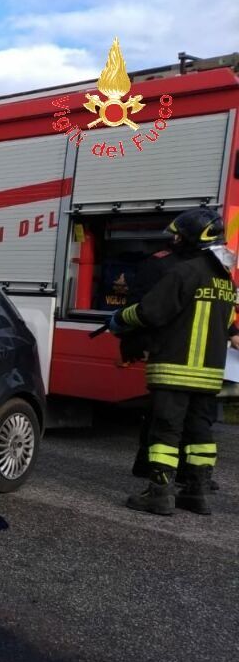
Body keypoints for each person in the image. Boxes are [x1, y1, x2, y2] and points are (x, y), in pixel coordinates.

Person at [109, 208, 237, 516]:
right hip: (208, 373)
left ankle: (160, 494)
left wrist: (119, 318)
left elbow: (150, 312)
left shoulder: (184, 272)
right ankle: (196, 492)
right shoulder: (225, 280)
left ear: (194, 237)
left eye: (179, 234)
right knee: (200, 434)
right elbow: (228, 322)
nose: (175, 239)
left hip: (175, 367)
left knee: (164, 432)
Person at [123, 231, 183, 479]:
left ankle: (188, 473)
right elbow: (140, 306)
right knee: (162, 413)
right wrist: (137, 343)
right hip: (165, 349)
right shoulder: (160, 264)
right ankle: (147, 464)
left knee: (178, 416)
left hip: (186, 353)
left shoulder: (199, 268)